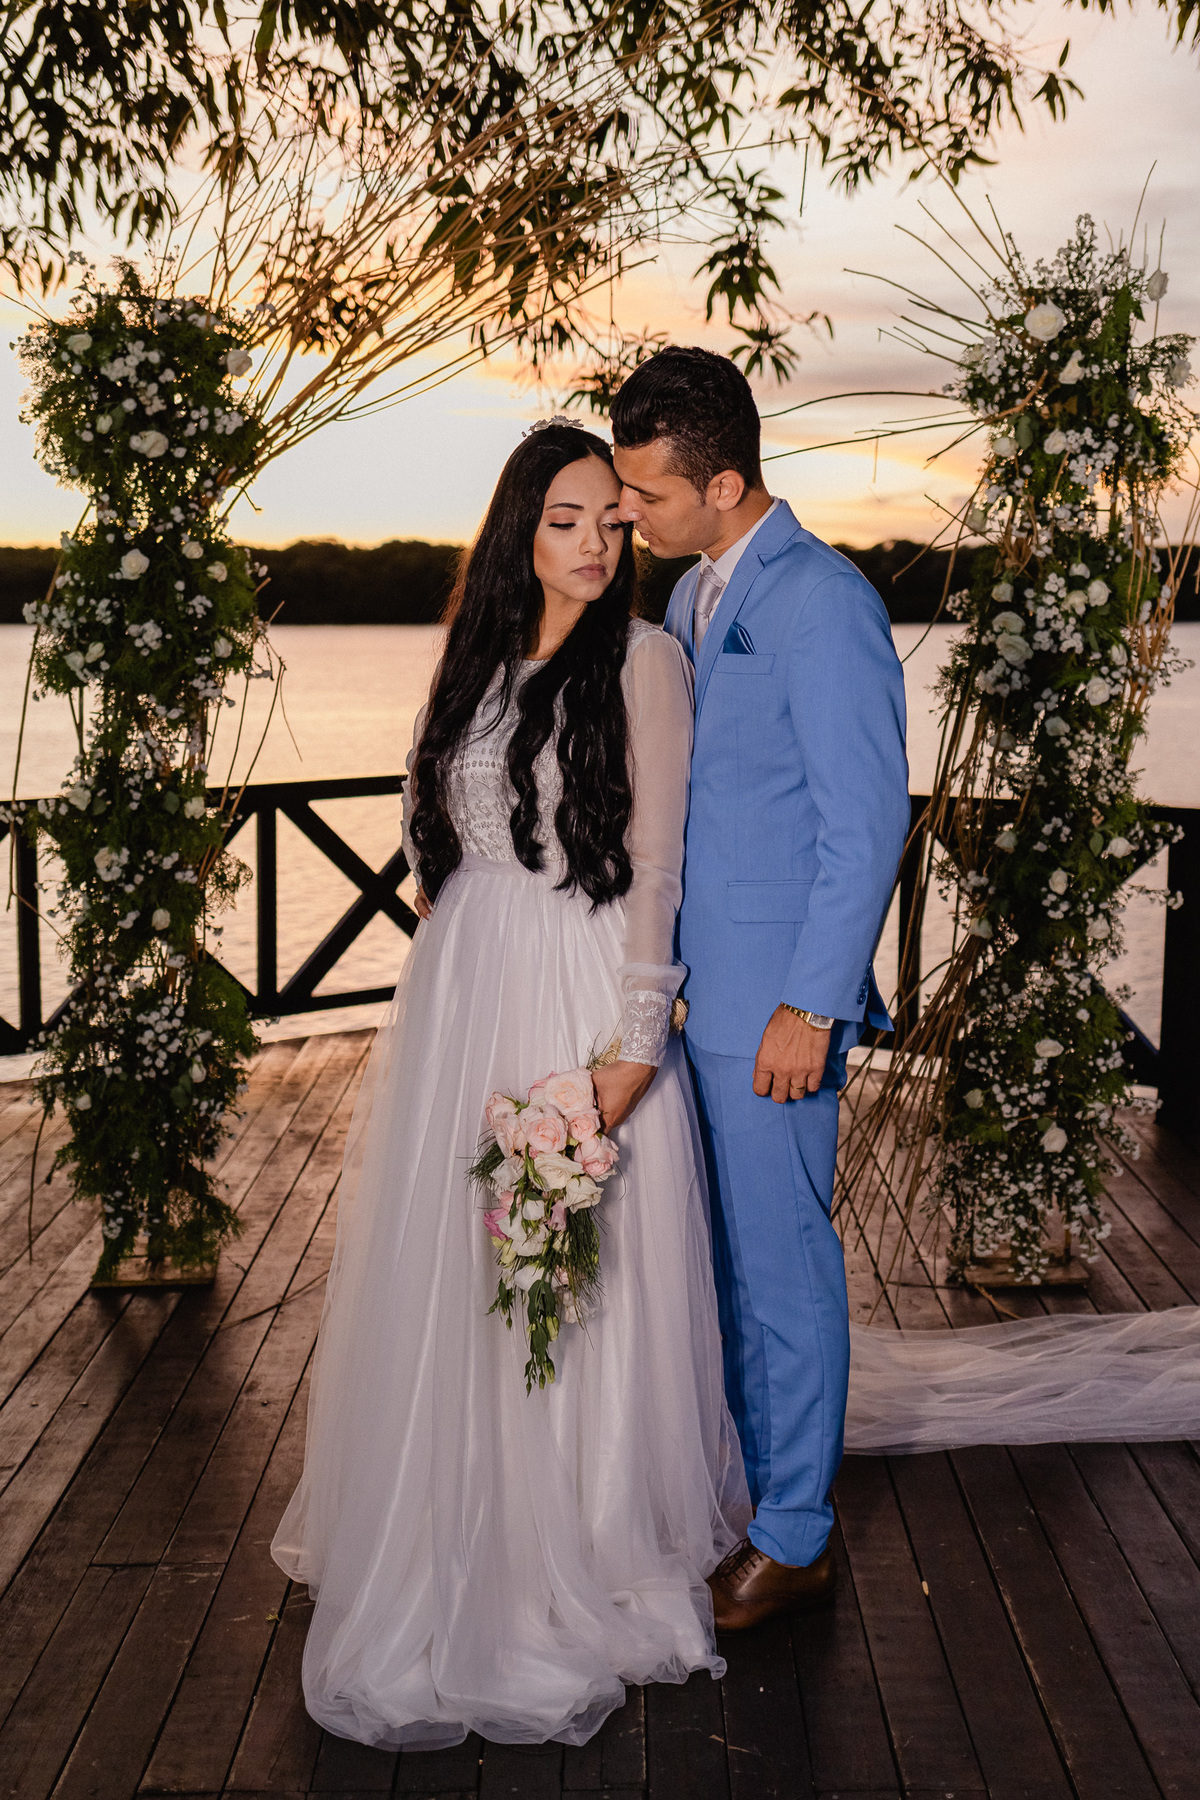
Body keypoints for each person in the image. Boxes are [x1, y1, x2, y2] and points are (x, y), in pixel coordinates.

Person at [271, 422, 749, 1749]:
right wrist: (457, 917)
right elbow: (433, 816)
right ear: (517, 533)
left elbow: (657, 864)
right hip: (464, 984)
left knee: (581, 1265)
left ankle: (580, 1532)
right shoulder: (475, 659)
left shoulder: (644, 661)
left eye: (612, 519)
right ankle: (450, 1512)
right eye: (565, 519)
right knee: (459, 1260)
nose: (595, 543)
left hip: (578, 985)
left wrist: (633, 1045)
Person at [612, 348, 909, 1632]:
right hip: (697, 1001)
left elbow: (868, 823)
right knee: (726, 1266)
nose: (630, 513)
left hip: (777, 1012)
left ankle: (797, 1536)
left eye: (649, 494)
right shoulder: (692, 597)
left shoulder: (824, 602)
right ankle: (753, 1493)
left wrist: (813, 1004)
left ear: (724, 483)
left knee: (784, 1269)